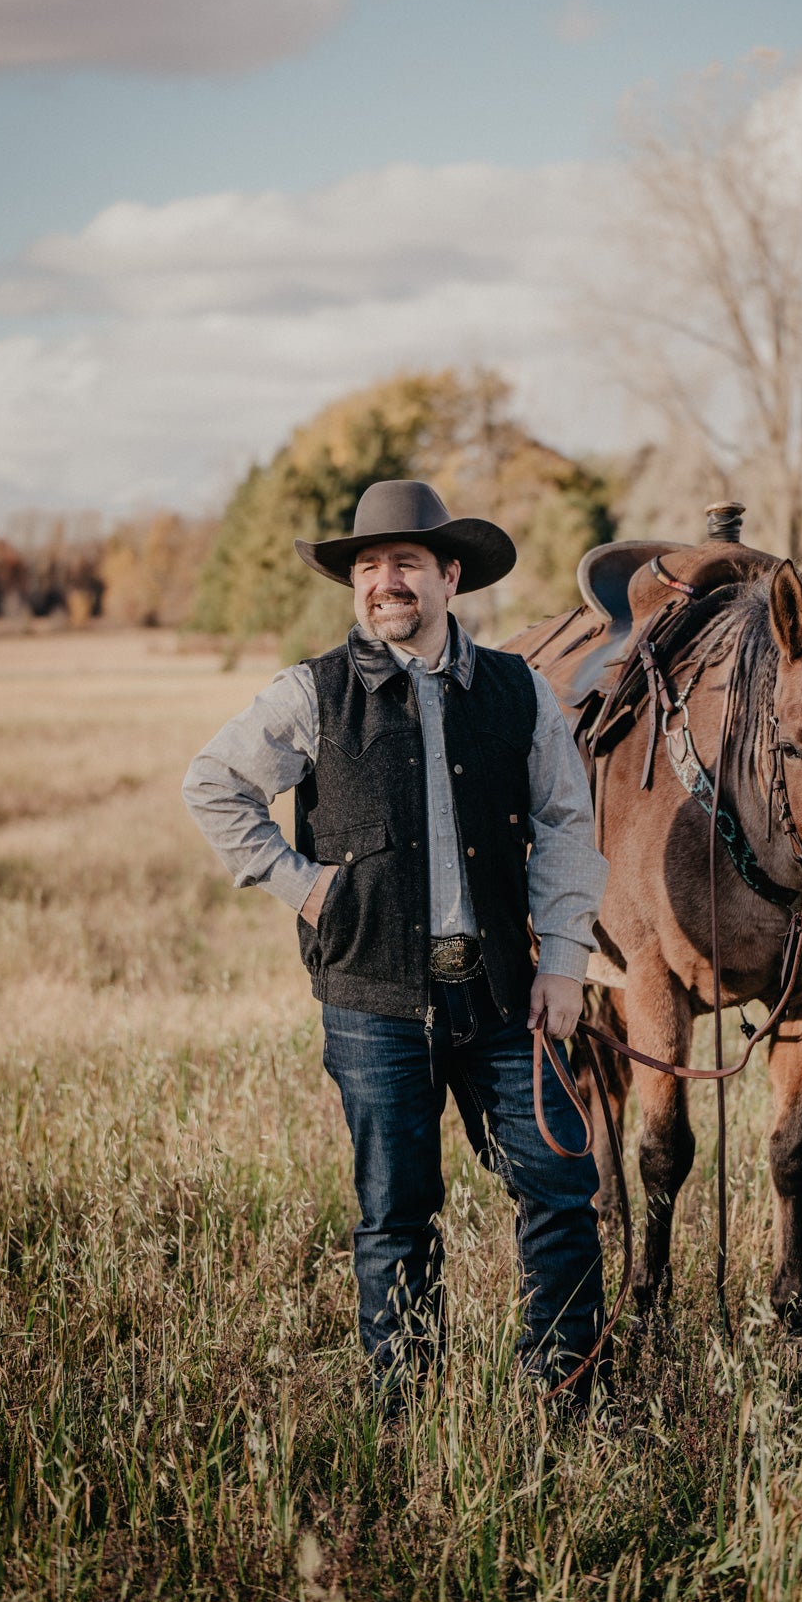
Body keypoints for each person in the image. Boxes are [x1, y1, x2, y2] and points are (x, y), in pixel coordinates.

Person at [183, 480, 610, 1405]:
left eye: (407, 563)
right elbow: (213, 784)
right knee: (395, 1216)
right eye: (369, 567)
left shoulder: (514, 690)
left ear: (450, 576)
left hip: (503, 995)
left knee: (562, 1188)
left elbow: (568, 822)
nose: (386, 582)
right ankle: (404, 1404)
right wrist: (302, 887)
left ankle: (564, 1387)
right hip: (372, 1003)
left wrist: (568, 961)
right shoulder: (312, 693)